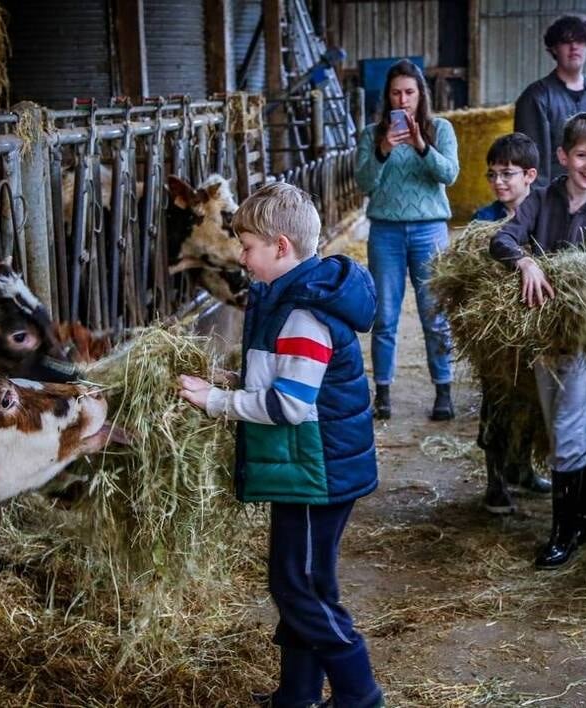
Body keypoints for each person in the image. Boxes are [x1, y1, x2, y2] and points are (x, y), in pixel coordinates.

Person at [178, 183, 383, 708]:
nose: (241, 258)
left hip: (317, 472)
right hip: (310, 467)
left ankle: (360, 696)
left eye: (247, 247)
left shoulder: (303, 315)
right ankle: (297, 695)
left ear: (281, 248)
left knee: (300, 589)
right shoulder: (291, 295)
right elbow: (283, 374)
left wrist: (217, 401)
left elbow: (289, 405)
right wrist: (230, 376)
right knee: (303, 582)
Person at [488, 112, 586, 568]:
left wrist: (567, 298)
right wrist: (526, 263)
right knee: (560, 431)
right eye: (582, 155)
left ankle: (563, 533)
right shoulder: (543, 198)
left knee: (570, 433)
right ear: (563, 156)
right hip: (543, 336)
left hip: (585, 335)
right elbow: (502, 239)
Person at [354, 59, 459, 422]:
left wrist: (421, 146)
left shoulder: (440, 128)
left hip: (430, 230)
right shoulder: (371, 134)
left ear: (420, 95)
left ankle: (443, 389)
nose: (402, 100)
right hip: (385, 231)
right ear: (387, 96)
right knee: (384, 316)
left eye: (409, 92)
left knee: (435, 314)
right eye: (396, 93)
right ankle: (383, 391)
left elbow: (450, 174)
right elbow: (364, 183)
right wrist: (383, 149)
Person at [471, 133, 552, 515]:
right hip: (496, 333)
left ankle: (523, 469)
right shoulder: (483, 221)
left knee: (533, 403)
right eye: (492, 175)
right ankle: (495, 482)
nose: (499, 182)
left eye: (507, 174)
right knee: (498, 401)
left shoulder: (547, 215)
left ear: (530, 175)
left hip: (536, 326)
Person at [514, 14, 586, 206]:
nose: (574, 47)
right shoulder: (536, 97)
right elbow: (530, 163)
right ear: (553, 48)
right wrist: (538, 215)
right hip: (557, 203)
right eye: (566, 41)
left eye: (580, 40)